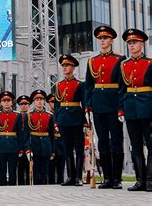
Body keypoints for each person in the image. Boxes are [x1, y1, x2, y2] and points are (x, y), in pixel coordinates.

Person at [85, 26, 126, 189]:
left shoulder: (120, 59)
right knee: (102, 142)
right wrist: (88, 106)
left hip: (114, 104)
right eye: (100, 38)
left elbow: (123, 86)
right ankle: (107, 177)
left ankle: (117, 178)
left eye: (105, 38)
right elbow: (89, 86)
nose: (102, 41)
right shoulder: (92, 61)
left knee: (116, 141)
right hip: (98, 106)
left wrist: (121, 107)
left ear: (111, 40)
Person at [118, 29, 152, 192]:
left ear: (142, 44)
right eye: (129, 43)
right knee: (135, 145)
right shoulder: (124, 65)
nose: (132, 46)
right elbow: (121, 89)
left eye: (135, 43)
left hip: (148, 107)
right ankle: (140, 180)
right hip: (131, 108)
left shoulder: (150, 63)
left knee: (151, 145)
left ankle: (150, 180)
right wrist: (121, 110)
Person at [54, 54, 87, 187]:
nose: (65, 68)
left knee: (78, 148)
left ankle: (78, 176)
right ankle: (71, 177)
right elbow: (57, 105)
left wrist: (86, 120)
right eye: (63, 65)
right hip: (63, 118)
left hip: (76, 117)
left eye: (67, 65)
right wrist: (56, 121)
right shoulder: (58, 85)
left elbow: (84, 103)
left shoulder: (80, 84)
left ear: (73, 67)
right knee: (68, 149)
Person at [0, 91, 23, 186]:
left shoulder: (17, 115)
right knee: (2, 169)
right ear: (1, 102)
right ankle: (2, 187)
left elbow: (20, 133)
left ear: (12, 102)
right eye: (4, 101)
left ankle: (12, 188)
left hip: (13, 145)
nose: (6, 103)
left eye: (8, 100)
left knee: (12, 169)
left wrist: (21, 148)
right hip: (1, 145)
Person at [26, 90, 55, 185]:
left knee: (45, 172)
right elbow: (26, 134)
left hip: (46, 145)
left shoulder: (49, 116)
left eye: (41, 100)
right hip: (34, 145)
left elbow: (51, 134)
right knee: (35, 171)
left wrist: (52, 151)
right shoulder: (29, 115)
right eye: (37, 100)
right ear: (34, 102)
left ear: (44, 101)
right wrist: (28, 149)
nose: (39, 102)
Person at [47, 93, 66, 184]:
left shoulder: (62, 113)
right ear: (48, 103)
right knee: (50, 170)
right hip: (51, 142)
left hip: (61, 142)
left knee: (61, 169)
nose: (54, 104)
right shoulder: (47, 115)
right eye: (51, 102)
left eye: (55, 102)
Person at [16, 95, 31, 186]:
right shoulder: (16, 116)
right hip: (18, 146)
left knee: (29, 169)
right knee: (20, 169)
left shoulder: (31, 116)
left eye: (26, 104)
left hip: (29, 145)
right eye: (21, 104)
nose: (24, 106)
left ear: (29, 105)